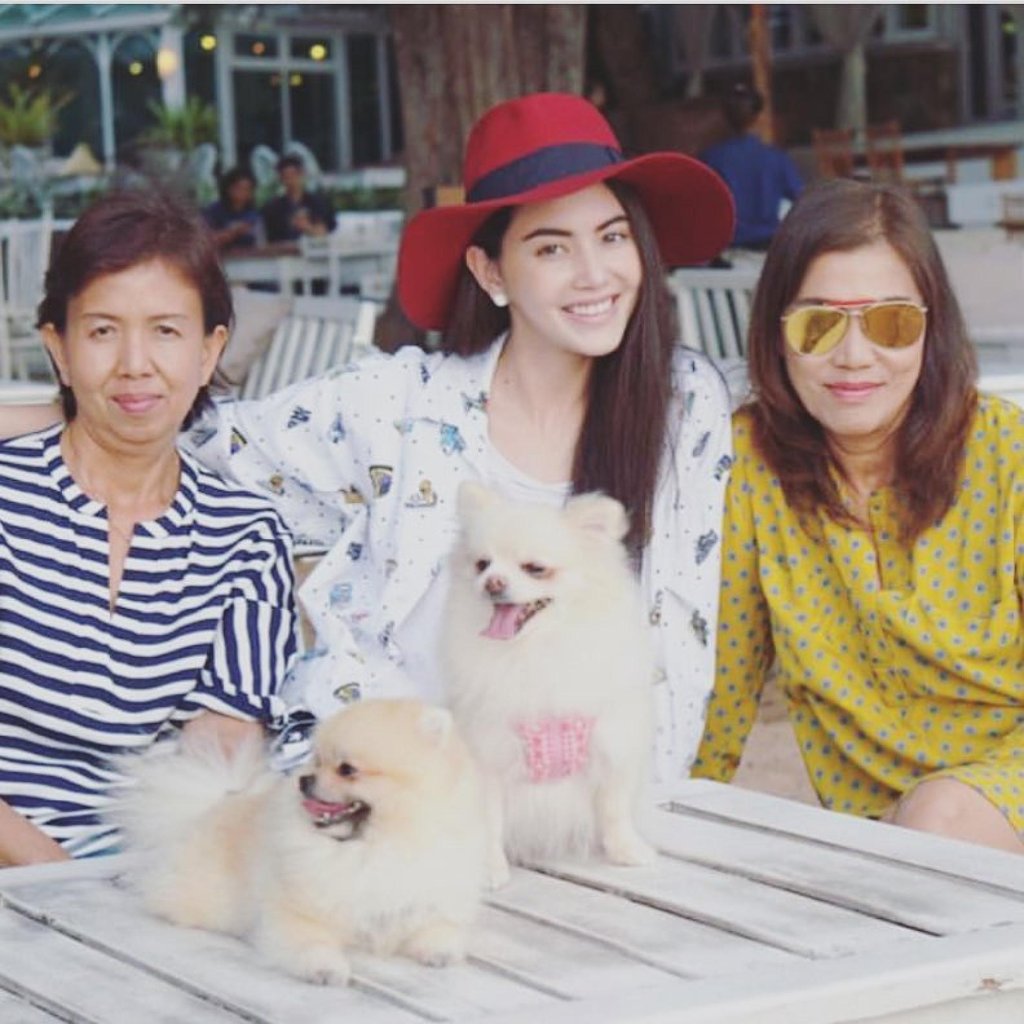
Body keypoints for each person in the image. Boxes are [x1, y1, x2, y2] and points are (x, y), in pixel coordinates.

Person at [4, 93, 736, 794]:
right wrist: (59, 405)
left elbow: (677, 643)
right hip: (395, 789)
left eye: (612, 237)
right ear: (490, 273)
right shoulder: (401, 404)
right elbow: (192, 428)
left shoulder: (682, 407)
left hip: (587, 803)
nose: (593, 275)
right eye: (551, 247)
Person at [692, 178, 1024, 854]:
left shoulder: (1005, 452)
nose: (853, 356)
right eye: (817, 322)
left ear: (931, 327)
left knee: (938, 819)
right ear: (777, 334)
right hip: (890, 852)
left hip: (974, 815)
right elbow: (715, 702)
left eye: (890, 321)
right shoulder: (749, 469)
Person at [0, 189, 297, 865]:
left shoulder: (243, 536)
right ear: (60, 349)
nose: (136, 363)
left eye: (166, 330)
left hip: (140, 881)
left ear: (207, 349)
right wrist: (59, 883)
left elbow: (217, 760)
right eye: (103, 330)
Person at [700, 83, 803, 252]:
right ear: (758, 116)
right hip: (768, 244)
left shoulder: (711, 159)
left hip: (728, 247)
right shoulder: (776, 158)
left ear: (725, 117)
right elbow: (801, 198)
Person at [261, 154, 337, 243]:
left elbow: (322, 232)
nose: (291, 181)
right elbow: (270, 238)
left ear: (302, 174)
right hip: (284, 252)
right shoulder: (273, 207)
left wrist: (305, 227)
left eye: (294, 175)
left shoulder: (317, 202)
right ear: (281, 179)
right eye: (286, 177)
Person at [203, 166, 263, 251]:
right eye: (239, 188)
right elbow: (205, 241)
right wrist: (233, 232)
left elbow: (261, 243)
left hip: (249, 260)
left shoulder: (253, 214)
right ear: (229, 189)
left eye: (247, 189)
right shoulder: (214, 211)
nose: (243, 193)